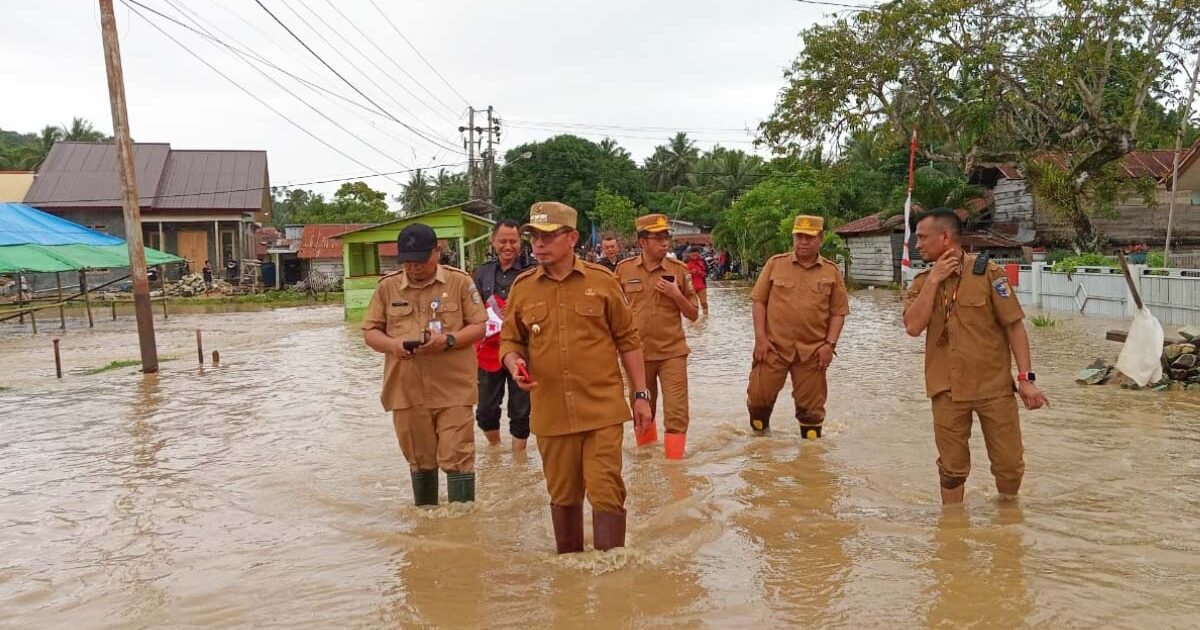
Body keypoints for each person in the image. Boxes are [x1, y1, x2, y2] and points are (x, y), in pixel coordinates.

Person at [500, 201, 653, 553]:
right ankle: (569, 577)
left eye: (548, 236)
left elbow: (628, 340)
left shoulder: (601, 283)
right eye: (534, 236)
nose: (538, 244)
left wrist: (641, 395)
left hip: (601, 410)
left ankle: (612, 575)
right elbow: (510, 340)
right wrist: (513, 363)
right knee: (563, 496)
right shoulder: (523, 288)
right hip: (551, 413)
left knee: (605, 489)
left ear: (572, 238)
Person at [902, 208, 1049, 505]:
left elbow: (1015, 328)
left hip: (993, 388)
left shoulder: (989, 274)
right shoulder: (921, 282)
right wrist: (934, 280)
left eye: (922, 237)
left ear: (945, 237)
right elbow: (913, 327)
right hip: (947, 390)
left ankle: (1009, 518)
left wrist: (1026, 379)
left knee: (1009, 465)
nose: (916, 244)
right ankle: (952, 529)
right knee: (952, 469)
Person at [362, 223, 488, 506]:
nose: (414, 268)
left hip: (453, 387)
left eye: (420, 260)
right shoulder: (387, 287)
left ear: (437, 252)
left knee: (457, 457)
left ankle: (462, 528)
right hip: (406, 389)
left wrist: (449, 340)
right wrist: (393, 345)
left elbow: (479, 326)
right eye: (407, 261)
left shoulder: (459, 282)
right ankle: (427, 526)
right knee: (420, 460)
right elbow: (370, 333)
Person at [747, 215, 850, 438]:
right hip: (773, 348)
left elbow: (838, 312)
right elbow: (759, 302)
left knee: (811, 414)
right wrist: (760, 339)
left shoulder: (831, 272)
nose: (803, 242)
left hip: (812, 352)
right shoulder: (775, 264)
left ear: (820, 239)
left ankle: (810, 466)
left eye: (809, 237)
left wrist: (829, 346)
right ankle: (759, 454)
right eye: (799, 236)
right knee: (758, 403)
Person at [615, 213, 699, 459]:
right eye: (658, 238)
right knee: (643, 411)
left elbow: (694, 314)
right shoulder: (623, 270)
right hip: (637, 356)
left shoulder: (679, 271)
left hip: (672, 353)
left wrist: (676, 295)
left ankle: (675, 469)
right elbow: (611, 313)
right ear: (642, 242)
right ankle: (646, 465)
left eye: (667, 238)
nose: (665, 243)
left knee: (676, 414)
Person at [472, 219, 532, 451]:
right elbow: (471, 308)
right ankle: (495, 451)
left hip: (522, 348)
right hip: (488, 351)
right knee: (485, 409)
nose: (508, 246)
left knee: (521, 408)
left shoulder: (531, 272)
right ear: (493, 242)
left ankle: (519, 460)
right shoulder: (482, 273)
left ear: (520, 242)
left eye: (513, 241)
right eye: (503, 241)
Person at [686, 247, 709, 313]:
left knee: (704, 302)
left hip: (701, 286)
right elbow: (682, 274)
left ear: (698, 254)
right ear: (689, 255)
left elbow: (707, 273)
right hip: (690, 287)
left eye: (696, 255)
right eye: (693, 255)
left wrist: (699, 272)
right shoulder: (685, 262)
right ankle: (693, 319)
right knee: (693, 304)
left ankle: (705, 317)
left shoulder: (702, 261)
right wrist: (690, 272)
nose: (694, 257)